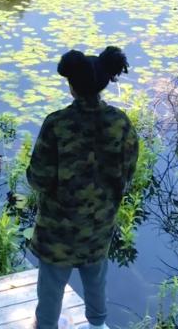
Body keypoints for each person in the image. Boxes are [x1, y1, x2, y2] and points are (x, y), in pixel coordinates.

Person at [27, 46, 139, 329]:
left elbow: (38, 178)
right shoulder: (121, 124)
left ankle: (47, 325)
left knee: (51, 286)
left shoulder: (56, 124)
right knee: (96, 278)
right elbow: (128, 173)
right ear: (104, 84)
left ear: (71, 86)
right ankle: (98, 325)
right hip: (99, 226)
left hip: (58, 231)